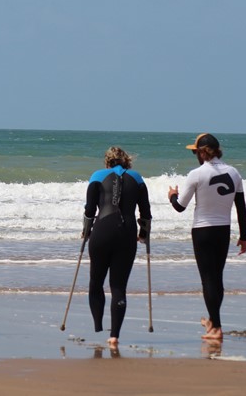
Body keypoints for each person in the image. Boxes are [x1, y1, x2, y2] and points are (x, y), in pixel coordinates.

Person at [168, 133, 246, 341]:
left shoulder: (196, 174)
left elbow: (179, 207)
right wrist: (244, 236)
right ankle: (213, 321)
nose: (195, 155)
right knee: (217, 277)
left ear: (204, 152)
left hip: (203, 231)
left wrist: (172, 195)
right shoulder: (234, 172)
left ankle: (217, 328)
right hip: (223, 231)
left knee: (208, 279)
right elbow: (241, 208)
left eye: (196, 151)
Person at [82, 146, 152, 348]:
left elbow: (89, 210)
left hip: (102, 231)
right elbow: (145, 212)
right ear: (127, 161)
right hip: (127, 234)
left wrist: (86, 231)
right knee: (118, 286)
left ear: (107, 161)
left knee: (96, 281)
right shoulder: (137, 178)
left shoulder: (97, 176)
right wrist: (144, 234)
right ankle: (114, 336)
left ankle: (97, 325)